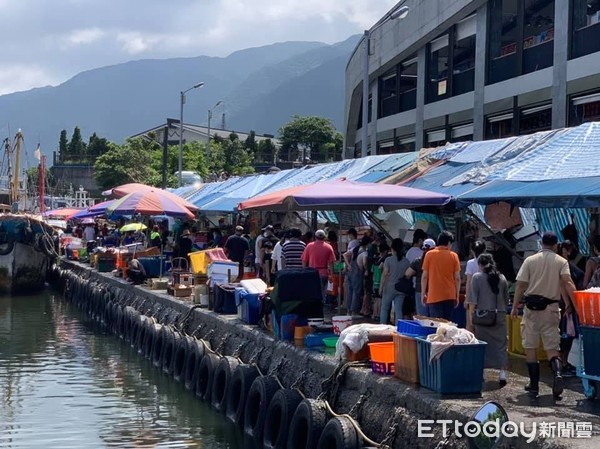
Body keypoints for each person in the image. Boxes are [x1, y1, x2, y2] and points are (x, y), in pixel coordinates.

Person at [510, 232, 576, 398]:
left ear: (542, 244)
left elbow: (520, 285)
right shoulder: (561, 262)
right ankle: (557, 375)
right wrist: (576, 304)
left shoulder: (530, 261)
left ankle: (533, 386)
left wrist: (514, 306)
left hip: (531, 310)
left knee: (530, 346)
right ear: (555, 245)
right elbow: (567, 282)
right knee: (552, 348)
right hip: (551, 309)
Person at [467, 253, 509, 387]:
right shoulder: (501, 278)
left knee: (482, 344)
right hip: (500, 315)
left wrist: (470, 318)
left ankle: (483, 372)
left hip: (483, 316)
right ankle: (502, 373)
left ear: (479, 264)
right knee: (501, 344)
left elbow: (473, 300)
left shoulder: (477, 277)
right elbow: (506, 299)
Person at [421, 231, 461, 320]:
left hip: (434, 295)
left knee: (436, 324)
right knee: (447, 325)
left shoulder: (429, 254)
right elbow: (457, 278)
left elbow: (424, 276)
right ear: (449, 242)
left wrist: (423, 293)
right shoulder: (454, 256)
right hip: (449, 295)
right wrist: (457, 296)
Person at [379, 238, 410, 325]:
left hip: (389, 287)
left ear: (392, 248)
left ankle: (382, 326)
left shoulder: (388, 260)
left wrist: (381, 288)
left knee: (384, 308)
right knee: (398, 310)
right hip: (401, 288)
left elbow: (384, 274)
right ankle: (397, 329)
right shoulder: (406, 261)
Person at [302, 229, 336, 301]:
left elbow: (304, 260)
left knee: (313, 292)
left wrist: (304, 272)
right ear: (324, 237)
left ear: (315, 236)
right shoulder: (329, 247)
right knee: (323, 292)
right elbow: (331, 263)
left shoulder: (309, 246)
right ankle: (321, 306)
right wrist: (331, 275)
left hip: (312, 273)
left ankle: (314, 307)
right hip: (324, 273)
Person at [405, 238, 436, 317]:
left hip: (419, 289)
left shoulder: (418, 261)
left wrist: (417, 273)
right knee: (434, 318)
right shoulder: (437, 261)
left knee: (422, 317)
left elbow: (407, 273)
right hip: (434, 290)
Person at [344, 235, 371, 316]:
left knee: (350, 292)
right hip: (358, 274)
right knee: (356, 293)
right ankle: (353, 312)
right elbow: (364, 263)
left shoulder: (355, 249)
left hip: (350, 273)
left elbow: (344, 255)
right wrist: (366, 270)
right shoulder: (364, 253)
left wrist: (348, 265)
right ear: (368, 243)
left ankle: (348, 311)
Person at [465, 240, 487, 331]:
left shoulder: (470, 263)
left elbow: (469, 281)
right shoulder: (488, 262)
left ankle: (471, 343)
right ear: (485, 250)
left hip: (473, 295)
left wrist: (467, 298)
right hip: (485, 295)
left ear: (472, 251)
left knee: (470, 323)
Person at [372, 242, 389, 321]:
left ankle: (374, 314)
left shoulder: (375, 259)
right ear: (385, 251)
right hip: (380, 281)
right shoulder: (384, 260)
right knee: (380, 299)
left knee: (375, 299)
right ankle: (378, 314)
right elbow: (381, 269)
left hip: (374, 281)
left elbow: (372, 270)